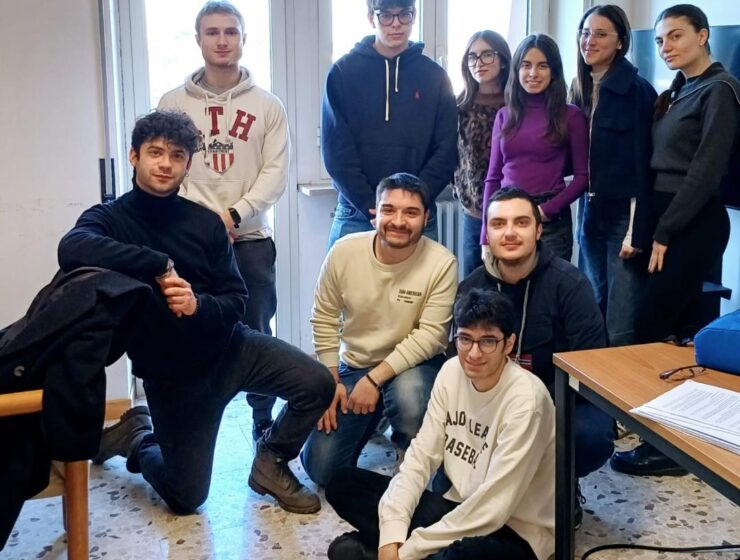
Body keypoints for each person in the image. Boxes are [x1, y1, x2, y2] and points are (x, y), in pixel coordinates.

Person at [59, 110, 335, 516]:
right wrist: (157, 262)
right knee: (186, 498)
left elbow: (236, 299)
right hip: (173, 379)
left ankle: (271, 461)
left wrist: (197, 304)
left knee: (317, 383)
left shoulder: (205, 223)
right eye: (155, 152)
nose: (165, 164)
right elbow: (71, 248)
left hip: (232, 350)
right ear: (134, 156)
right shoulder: (109, 219)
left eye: (177, 155)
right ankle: (137, 436)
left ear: (188, 165)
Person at [324, 289, 554, 560]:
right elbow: (420, 457)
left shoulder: (527, 401)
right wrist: (390, 537)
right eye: (465, 339)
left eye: (488, 341)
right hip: (457, 509)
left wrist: (407, 551)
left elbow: (492, 509)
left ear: (508, 344)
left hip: (512, 531)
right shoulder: (451, 371)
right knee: (343, 483)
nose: (474, 353)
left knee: (468, 554)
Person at [611, 3, 740, 477]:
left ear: (703, 36)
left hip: (693, 223)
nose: (666, 46)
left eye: (677, 36)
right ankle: (674, 438)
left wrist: (665, 232)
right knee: (673, 331)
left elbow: (706, 171)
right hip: (668, 219)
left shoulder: (720, 90)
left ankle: (665, 448)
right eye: (661, 39)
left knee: (653, 326)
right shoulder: (681, 89)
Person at [157, 1, 289, 441]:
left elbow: (275, 173)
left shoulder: (268, 106)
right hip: (188, 240)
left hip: (249, 238)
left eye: (230, 32)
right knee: (186, 325)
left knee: (256, 328)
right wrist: (205, 224)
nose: (221, 41)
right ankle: (187, 416)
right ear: (198, 39)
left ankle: (261, 417)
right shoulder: (172, 104)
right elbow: (167, 168)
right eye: (212, 32)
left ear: (243, 39)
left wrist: (233, 215)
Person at [461, 187, 614, 524]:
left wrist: (536, 414)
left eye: (521, 222)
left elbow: (590, 368)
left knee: (591, 436)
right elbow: (459, 365)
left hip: (558, 402)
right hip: (492, 403)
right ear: (486, 232)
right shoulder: (471, 288)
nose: (510, 232)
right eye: (498, 223)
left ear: (538, 230)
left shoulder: (570, 285)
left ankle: (561, 482)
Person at [301, 173, 458, 487]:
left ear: (426, 217)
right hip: (355, 365)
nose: (398, 221)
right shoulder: (343, 252)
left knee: (410, 399)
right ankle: (377, 414)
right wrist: (330, 379)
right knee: (322, 469)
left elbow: (431, 336)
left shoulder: (442, 263)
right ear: (375, 213)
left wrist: (374, 380)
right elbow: (325, 316)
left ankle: (407, 451)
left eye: (411, 212)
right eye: (389, 210)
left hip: (414, 367)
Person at [322, 0, 458, 247]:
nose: (396, 24)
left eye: (404, 15)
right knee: (343, 274)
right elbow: (336, 152)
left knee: (426, 274)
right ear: (370, 17)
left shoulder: (435, 76)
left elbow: (446, 149)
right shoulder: (343, 72)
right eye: (386, 15)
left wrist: (413, 202)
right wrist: (372, 206)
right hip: (357, 211)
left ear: (414, 16)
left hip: (418, 213)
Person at [570, 4, 657, 346]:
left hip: (624, 217)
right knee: (593, 307)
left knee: (620, 320)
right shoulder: (579, 87)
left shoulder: (637, 91)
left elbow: (642, 165)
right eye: (585, 33)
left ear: (620, 42)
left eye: (601, 34)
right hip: (590, 214)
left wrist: (635, 232)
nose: (589, 41)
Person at [480, 34, 589, 262]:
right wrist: (486, 234)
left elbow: (582, 178)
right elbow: (493, 177)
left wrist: (545, 211)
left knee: (550, 284)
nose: (533, 73)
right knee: (508, 284)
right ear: (516, 70)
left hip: (549, 218)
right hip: (507, 211)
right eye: (526, 65)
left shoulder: (571, 115)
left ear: (554, 71)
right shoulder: (504, 115)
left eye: (542, 66)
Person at [452, 30, 512, 276]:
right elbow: (450, 155)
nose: (479, 62)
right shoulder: (459, 106)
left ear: (503, 60)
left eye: (487, 55)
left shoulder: (516, 104)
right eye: (472, 57)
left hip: (512, 209)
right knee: (474, 282)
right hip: (474, 212)